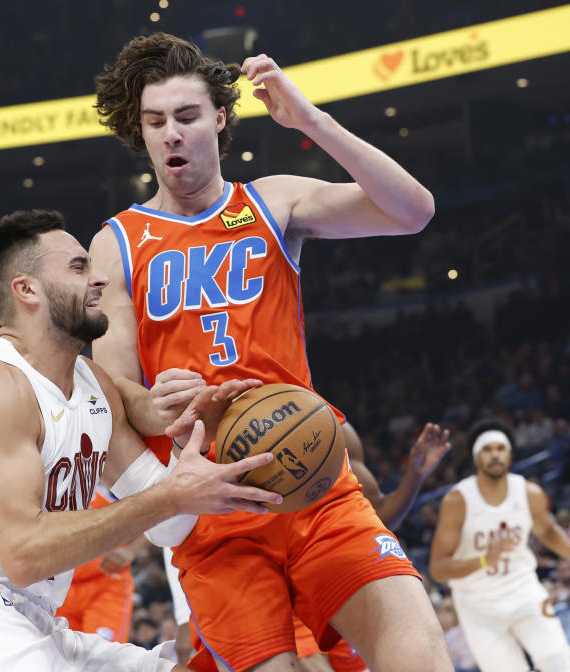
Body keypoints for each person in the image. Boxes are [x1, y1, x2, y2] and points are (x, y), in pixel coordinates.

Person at [90, 32, 449, 672]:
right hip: (211, 504)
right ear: (140, 133)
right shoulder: (117, 242)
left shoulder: (272, 199)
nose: (171, 133)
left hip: (309, 473)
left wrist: (309, 119)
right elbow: (113, 388)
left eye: (187, 115)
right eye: (155, 121)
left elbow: (413, 210)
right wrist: (155, 406)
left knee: (420, 656)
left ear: (220, 118)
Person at [0, 209, 281, 672]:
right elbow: (24, 554)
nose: (99, 279)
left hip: (36, 621)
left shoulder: (94, 386)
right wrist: (171, 495)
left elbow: (169, 526)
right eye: (79, 267)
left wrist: (187, 444)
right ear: (27, 289)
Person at [429, 420, 570, 672]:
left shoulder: (528, 492)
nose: (495, 455)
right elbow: (438, 568)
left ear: (510, 455)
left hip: (523, 591)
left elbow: (549, 532)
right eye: (487, 449)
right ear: (476, 458)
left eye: (500, 448)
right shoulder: (458, 500)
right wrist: (483, 560)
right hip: (477, 604)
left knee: (558, 662)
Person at [295, 421, 452, 672]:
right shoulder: (214, 438)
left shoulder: (328, 422)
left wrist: (415, 474)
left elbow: (377, 513)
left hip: (330, 563)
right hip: (270, 577)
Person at [55, 485, 149, 643]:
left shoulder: (137, 483)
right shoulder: (68, 480)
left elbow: (167, 513)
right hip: (63, 583)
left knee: (101, 658)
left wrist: (131, 551)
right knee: (53, 654)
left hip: (108, 583)